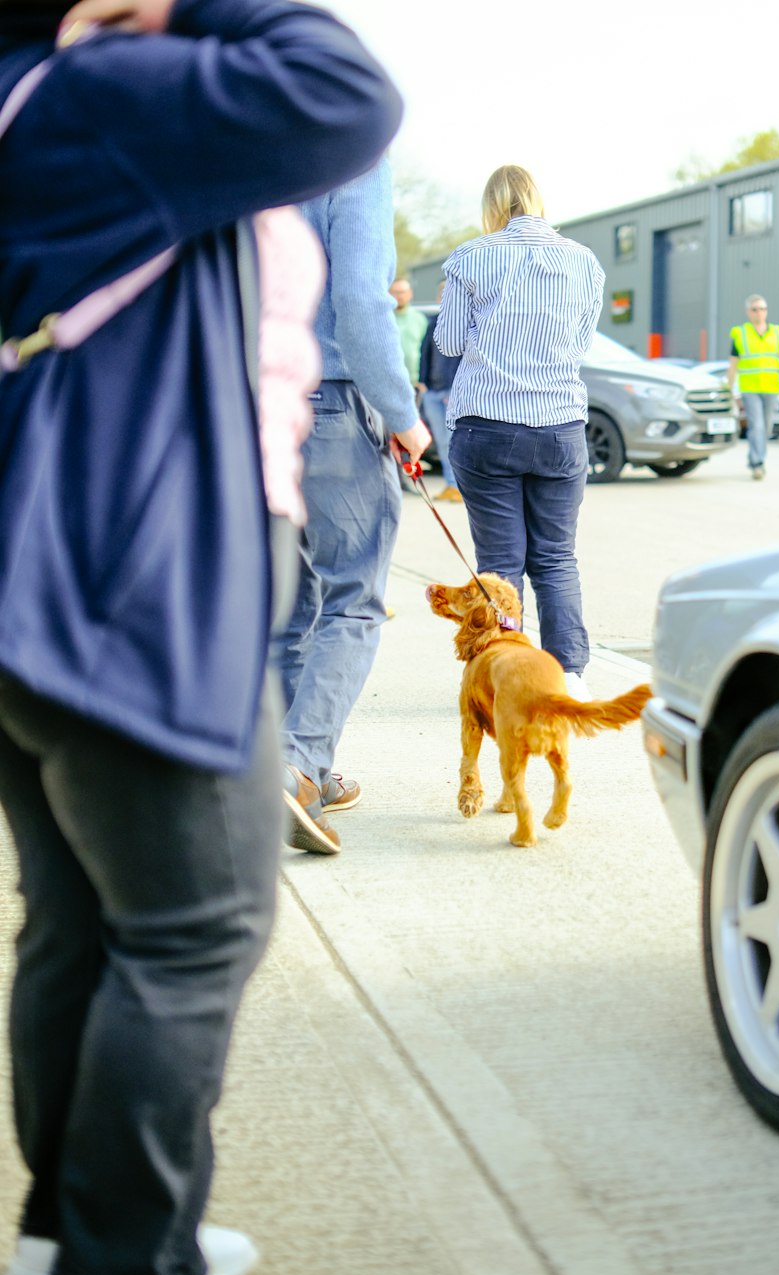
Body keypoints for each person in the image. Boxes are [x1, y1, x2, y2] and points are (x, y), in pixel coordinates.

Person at [0, 1, 400, 1275]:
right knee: (196, 922)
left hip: (54, 568)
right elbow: (347, 87)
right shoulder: (114, 85)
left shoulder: (44, 96)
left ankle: (78, 1230)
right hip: (140, 571)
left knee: (84, 920)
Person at [275, 161, 432, 856]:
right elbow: (363, 302)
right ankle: (297, 765)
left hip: (247, 400)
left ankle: (288, 767)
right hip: (331, 399)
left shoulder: (244, 147)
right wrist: (404, 415)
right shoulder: (350, 162)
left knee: (290, 603)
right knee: (353, 600)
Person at [435, 164, 604, 700]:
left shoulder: (471, 257)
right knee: (556, 557)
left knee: (500, 563)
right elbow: (580, 345)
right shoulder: (584, 262)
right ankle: (569, 675)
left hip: (488, 425)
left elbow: (449, 342)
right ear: (536, 200)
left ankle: (505, 678)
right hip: (560, 426)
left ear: (493, 206)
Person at [728, 294, 779, 480]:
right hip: (750, 388)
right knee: (757, 426)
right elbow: (733, 364)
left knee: (766, 427)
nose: (759, 313)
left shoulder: (778, 332)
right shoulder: (740, 333)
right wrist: (729, 389)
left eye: (762, 309)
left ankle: (758, 458)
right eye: (755, 309)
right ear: (748, 312)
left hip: (771, 387)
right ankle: (757, 463)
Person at [418, 283, 463, 502]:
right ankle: (450, 484)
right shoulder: (433, 323)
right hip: (432, 392)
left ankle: (460, 487)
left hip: (452, 392)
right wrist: (422, 382)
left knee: (454, 440)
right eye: (441, 293)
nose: (443, 297)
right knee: (442, 442)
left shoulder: (466, 324)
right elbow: (424, 353)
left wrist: (455, 388)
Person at [389, 277, 427, 389]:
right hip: (389, 382)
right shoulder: (383, 320)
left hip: (415, 383)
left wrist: (423, 379)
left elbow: (426, 352)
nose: (399, 296)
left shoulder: (420, 319)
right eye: (395, 292)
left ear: (410, 293)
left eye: (402, 292)